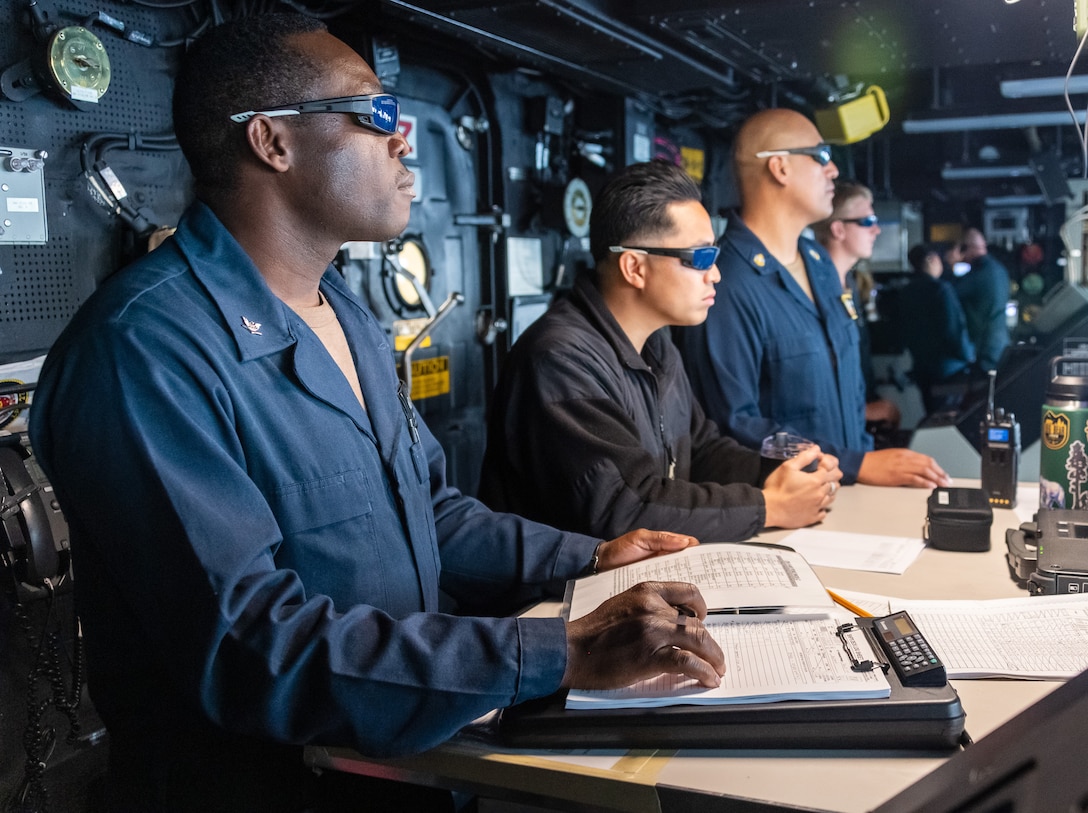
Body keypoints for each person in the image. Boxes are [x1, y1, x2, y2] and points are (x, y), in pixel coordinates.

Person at [27, 15, 726, 812]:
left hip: (408, 764)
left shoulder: (347, 315)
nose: (405, 141)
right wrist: (555, 650)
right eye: (376, 115)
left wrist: (594, 557)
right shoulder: (143, 351)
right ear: (272, 142)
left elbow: (431, 511)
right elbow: (253, 644)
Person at [478, 160, 842, 542]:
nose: (715, 274)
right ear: (634, 267)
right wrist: (769, 507)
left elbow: (701, 450)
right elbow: (625, 506)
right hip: (556, 598)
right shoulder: (559, 359)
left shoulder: (656, 344)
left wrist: (781, 472)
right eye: (700, 258)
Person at [674, 108, 950, 489]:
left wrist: (862, 459)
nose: (833, 169)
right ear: (780, 168)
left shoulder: (819, 262)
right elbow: (735, 425)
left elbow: (848, 386)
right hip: (788, 509)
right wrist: (856, 463)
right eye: (820, 156)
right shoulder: (728, 283)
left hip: (849, 492)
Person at [812, 180, 901, 433]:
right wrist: (864, 411)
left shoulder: (848, 283)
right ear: (838, 229)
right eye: (868, 222)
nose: (877, 230)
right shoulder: (811, 289)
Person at [899, 243, 976, 415]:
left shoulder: (906, 292)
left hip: (922, 368)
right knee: (950, 418)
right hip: (949, 370)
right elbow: (954, 330)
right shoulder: (941, 290)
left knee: (932, 418)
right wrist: (969, 356)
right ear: (932, 260)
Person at [944, 227, 1011, 371]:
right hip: (999, 343)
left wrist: (949, 266)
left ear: (966, 248)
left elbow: (949, 293)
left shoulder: (979, 274)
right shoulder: (999, 269)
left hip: (985, 347)